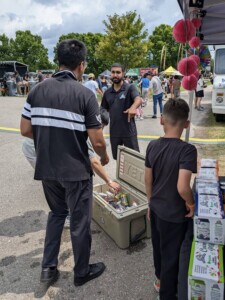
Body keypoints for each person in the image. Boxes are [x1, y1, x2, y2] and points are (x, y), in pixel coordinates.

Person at [20, 39, 109, 287]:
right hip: (76, 171)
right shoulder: (85, 94)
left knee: (57, 214)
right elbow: (97, 139)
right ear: (81, 65)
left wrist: (52, 138)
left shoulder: (37, 90)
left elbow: (25, 129)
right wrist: (103, 157)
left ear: (57, 62)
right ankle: (81, 272)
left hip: (47, 168)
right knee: (80, 221)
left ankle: (48, 268)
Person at [145, 98, 197, 300]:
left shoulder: (152, 145)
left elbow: (148, 178)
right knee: (172, 257)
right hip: (175, 216)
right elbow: (183, 187)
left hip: (156, 209)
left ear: (161, 120)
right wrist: (191, 203)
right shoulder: (187, 150)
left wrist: (150, 202)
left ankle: (159, 280)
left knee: (158, 250)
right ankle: (167, 294)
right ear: (186, 124)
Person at [101, 62, 142, 160]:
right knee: (119, 160)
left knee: (134, 159)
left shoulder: (129, 88)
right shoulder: (107, 93)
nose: (115, 75)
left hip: (128, 131)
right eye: (113, 72)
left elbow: (138, 99)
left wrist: (133, 107)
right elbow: (103, 109)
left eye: (118, 72)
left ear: (123, 74)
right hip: (114, 132)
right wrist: (102, 124)